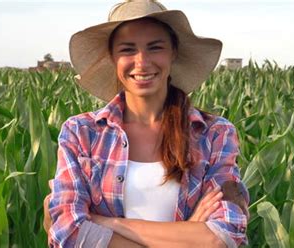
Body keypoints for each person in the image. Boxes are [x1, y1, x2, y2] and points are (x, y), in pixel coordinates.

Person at [45, 0, 249, 247]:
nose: (141, 62)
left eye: (155, 47)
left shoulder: (214, 134)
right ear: (112, 57)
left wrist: (107, 222)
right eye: (128, 50)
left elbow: (224, 236)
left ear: (173, 52)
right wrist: (189, 234)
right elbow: (67, 232)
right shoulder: (81, 133)